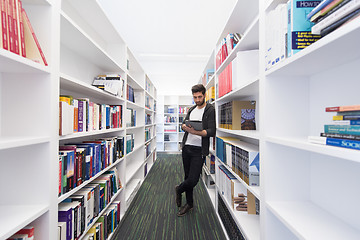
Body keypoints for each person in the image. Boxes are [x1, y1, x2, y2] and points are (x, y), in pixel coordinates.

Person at [175, 84, 216, 217]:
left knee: (193, 179)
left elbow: (211, 131)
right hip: (187, 147)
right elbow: (184, 123)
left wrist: (195, 131)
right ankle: (189, 203)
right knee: (187, 176)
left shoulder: (210, 110)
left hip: (199, 150)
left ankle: (179, 189)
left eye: (199, 97)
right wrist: (183, 126)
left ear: (204, 95)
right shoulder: (192, 109)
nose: (197, 100)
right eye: (195, 97)